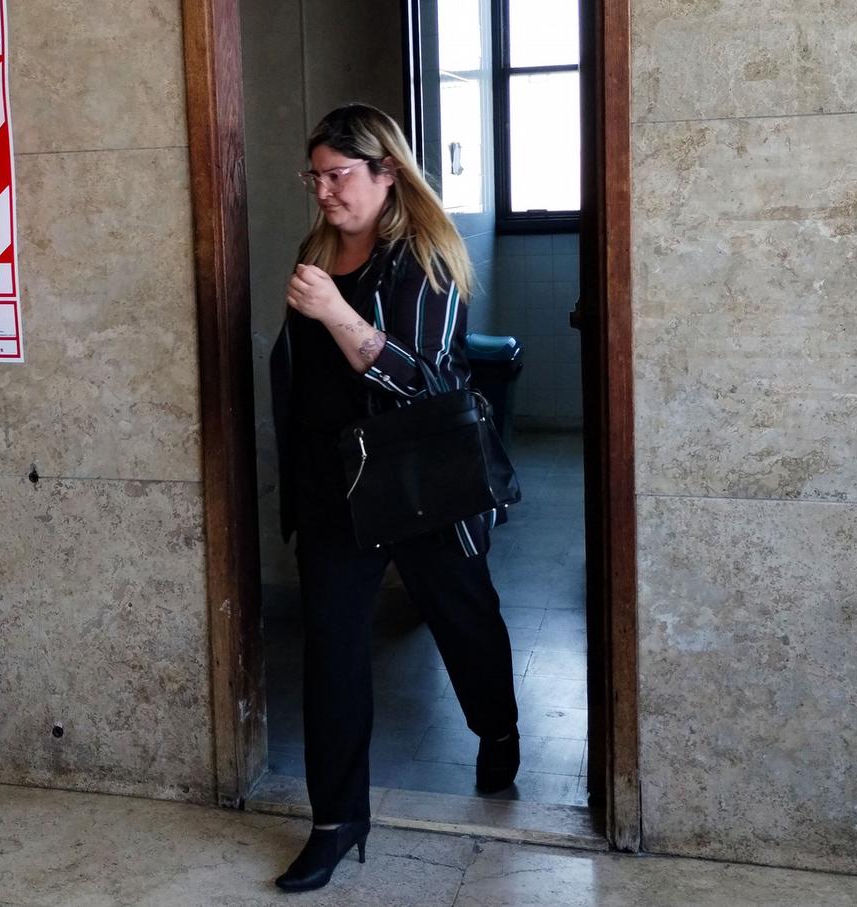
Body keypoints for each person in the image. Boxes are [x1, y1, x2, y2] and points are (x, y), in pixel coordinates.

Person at [269, 104, 520, 893]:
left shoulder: (427, 254)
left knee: (462, 613)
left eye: (338, 175)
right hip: (335, 487)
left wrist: (338, 313)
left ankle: (498, 728)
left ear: (386, 173)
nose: (323, 192)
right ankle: (337, 821)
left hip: (419, 481)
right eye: (315, 176)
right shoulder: (319, 247)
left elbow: (432, 381)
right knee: (333, 652)